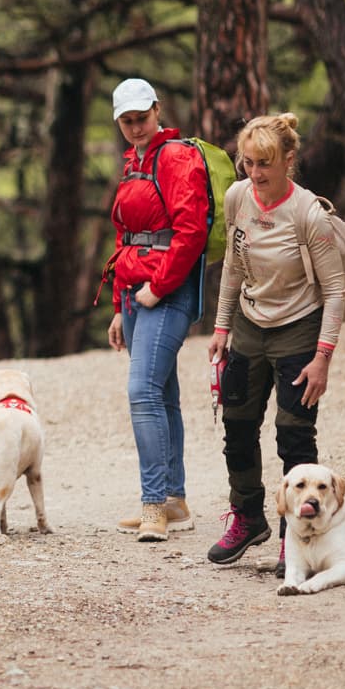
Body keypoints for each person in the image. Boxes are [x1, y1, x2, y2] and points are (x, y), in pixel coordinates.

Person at [205, 113, 345, 569]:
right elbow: (232, 264)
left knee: (294, 434)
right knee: (238, 425)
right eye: (247, 162)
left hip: (299, 327)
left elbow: (336, 290)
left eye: (265, 163)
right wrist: (222, 326)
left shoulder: (308, 214)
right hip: (249, 321)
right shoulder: (237, 197)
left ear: (289, 160)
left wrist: (322, 358)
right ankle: (248, 519)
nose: (255, 172)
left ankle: (297, 535)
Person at [103, 77, 209, 542]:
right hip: (134, 290)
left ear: (157, 110)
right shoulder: (134, 162)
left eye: (141, 118)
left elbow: (191, 233)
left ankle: (153, 506)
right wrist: (117, 305)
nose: (135, 127)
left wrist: (159, 287)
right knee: (162, 394)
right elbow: (125, 237)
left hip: (167, 291)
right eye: (126, 121)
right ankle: (174, 498)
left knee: (142, 390)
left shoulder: (178, 157)